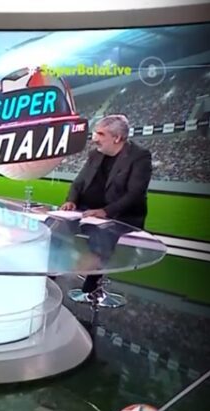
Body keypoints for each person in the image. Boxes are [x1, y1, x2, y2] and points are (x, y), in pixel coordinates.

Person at [59, 114, 153, 295]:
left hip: (119, 214)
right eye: (95, 133)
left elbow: (135, 194)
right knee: (53, 226)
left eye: (100, 134)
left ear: (117, 138)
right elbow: (78, 183)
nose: (94, 138)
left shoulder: (139, 157)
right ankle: (49, 279)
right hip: (86, 211)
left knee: (102, 236)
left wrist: (105, 211)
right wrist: (71, 201)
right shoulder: (95, 154)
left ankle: (90, 290)